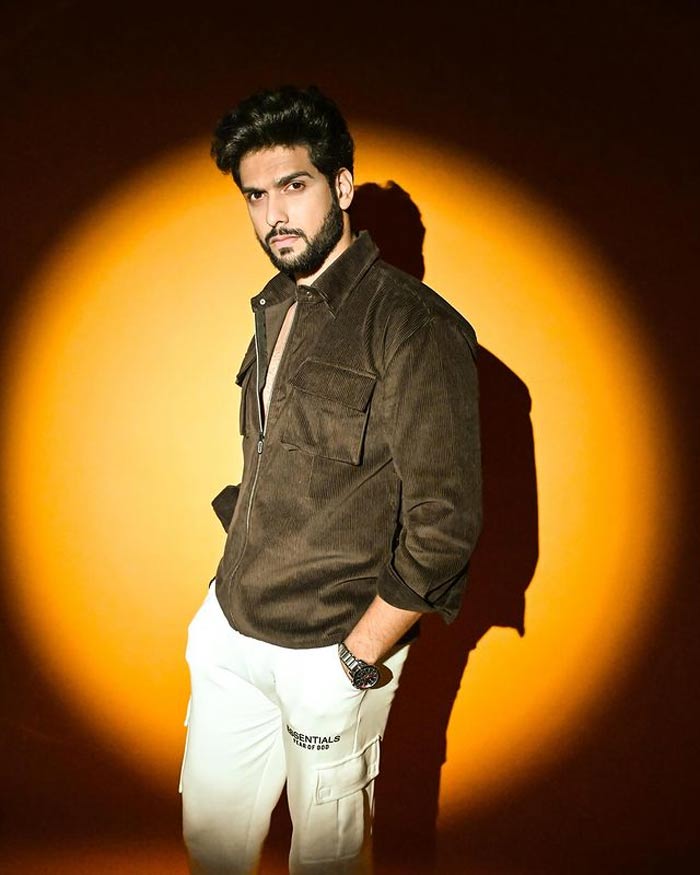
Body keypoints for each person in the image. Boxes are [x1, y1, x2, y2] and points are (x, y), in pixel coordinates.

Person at [180, 85, 482, 875]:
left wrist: (357, 657)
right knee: (210, 843)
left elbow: (446, 522)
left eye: (294, 185)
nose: (274, 214)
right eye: (255, 195)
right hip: (231, 634)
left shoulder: (415, 327)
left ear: (341, 185)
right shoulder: (278, 303)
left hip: (329, 647)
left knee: (327, 862)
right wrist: (220, 605)